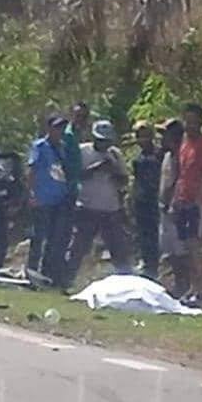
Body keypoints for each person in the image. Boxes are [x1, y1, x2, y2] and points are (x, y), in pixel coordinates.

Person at [66, 119, 132, 283]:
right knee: (78, 248)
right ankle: (66, 279)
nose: (104, 144)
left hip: (110, 209)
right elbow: (75, 176)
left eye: (107, 141)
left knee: (118, 249)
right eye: (101, 140)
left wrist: (114, 170)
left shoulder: (115, 154)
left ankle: (127, 283)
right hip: (87, 207)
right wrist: (96, 168)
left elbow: (124, 181)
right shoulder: (82, 151)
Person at [172, 104, 202, 306]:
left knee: (195, 245)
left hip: (196, 203)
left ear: (200, 122)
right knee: (187, 247)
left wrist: (200, 200)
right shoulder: (183, 143)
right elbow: (181, 173)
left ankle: (201, 290)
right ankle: (192, 286)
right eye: (187, 121)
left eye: (193, 121)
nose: (190, 125)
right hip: (182, 199)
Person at [26, 115, 72, 286]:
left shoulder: (62, 148)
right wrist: (31, 194)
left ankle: (47, 274)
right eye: (56, 127)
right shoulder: (39, 147)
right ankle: (31, 272)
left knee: (54, 239)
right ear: (49, 128)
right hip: (42, 199)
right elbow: (31, 170)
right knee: (38, 238)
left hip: (58, 199)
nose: (59, 131)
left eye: (61, 128)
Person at [158, 119, 188, 297]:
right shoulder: (167, 155)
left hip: (175, 208)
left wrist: (173, 203)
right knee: (169, 250)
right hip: (164, 207)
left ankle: (184, 285)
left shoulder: (181, 155)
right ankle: (178, 284)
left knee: (180, 250)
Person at [132, 121, 162, 279]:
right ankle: (146, 264)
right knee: (143, 234)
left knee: (154, 235)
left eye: (145, 135)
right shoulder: (138, 158)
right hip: (141, 200)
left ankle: (154, 268)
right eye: (139, 136)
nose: (142, 139)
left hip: (155, 201)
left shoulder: (159, 154)